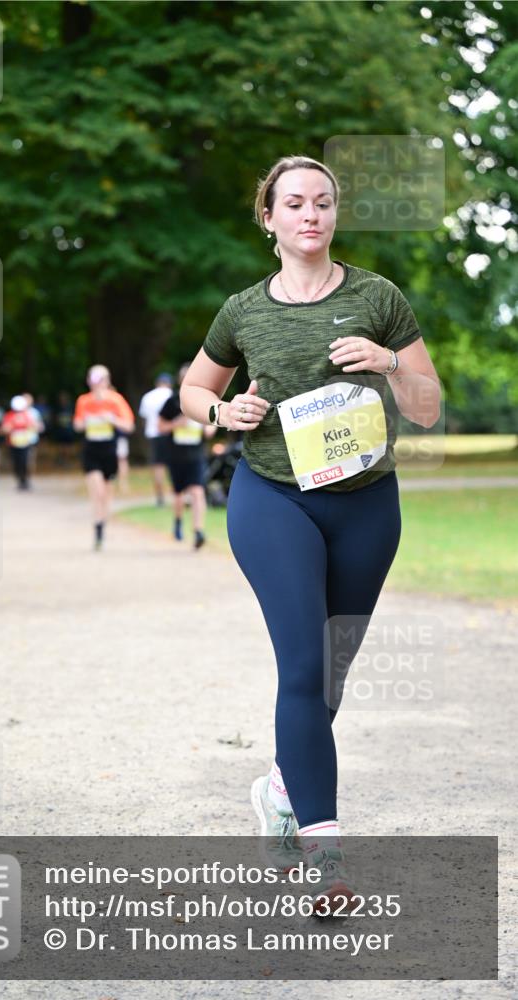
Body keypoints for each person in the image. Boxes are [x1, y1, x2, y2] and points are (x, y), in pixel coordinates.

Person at [179, 154, 441, 913]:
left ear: (334, 215)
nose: (310, 215)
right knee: (301, 667)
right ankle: (323, 861)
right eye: (293, 203)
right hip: (272, 499)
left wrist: (390, 361)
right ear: (268, 218)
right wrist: (221, 414)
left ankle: (278, 789)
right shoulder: (242, 310)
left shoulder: (377, 297)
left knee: (329, 677)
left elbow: (424, 407)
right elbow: (196, 388)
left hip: (365, 504)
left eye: (322, 202)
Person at [73, 365, 135, 550]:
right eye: (94, 381)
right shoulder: (84, 401)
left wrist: (111, 419)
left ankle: (102, 524)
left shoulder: (116, 400)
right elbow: (77, 425)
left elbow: (129, 426)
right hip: (91, 450)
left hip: (109, 450)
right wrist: (86, 420)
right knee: (97, 491)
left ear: (107, 381)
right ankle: (97, 528)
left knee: (106, 493)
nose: (97, 385)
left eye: (100, 381)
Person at [158, 364, 215, 549]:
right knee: (178, 495)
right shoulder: (172, 402)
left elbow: (212, 424)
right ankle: (178, 521)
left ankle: (198, 532)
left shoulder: (205, 400)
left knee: (198, 492)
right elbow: (160, 427)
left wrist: (208, 427)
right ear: (181, 380)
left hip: (196, 455)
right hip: (175, 455)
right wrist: (177, 424)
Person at [139, 373, 173, 506]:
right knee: (173, 464)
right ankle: (177, 492)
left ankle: (160, 497)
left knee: (158, 466)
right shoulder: (171, 395)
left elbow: (144, 418)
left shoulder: (148, 396)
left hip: (154, 434)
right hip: (170, 433)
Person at [1, 395, 37, 490]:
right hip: (13, 444)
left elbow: (35, 426)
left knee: (25, 462)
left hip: (25, 443)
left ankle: (26, 480)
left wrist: (26, 424)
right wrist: (13, 423)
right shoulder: (9, 415)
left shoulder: (27, 415)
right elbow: (5, 429)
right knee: (16, 463)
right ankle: (20, 481)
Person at [23, 393, 45, 476]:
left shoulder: (35, 412)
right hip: (19, 440)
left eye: (28, 400)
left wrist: (36, 426)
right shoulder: (17, 412)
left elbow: (41, 426)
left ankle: (28, 475)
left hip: (31, 439)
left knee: (30, 459)